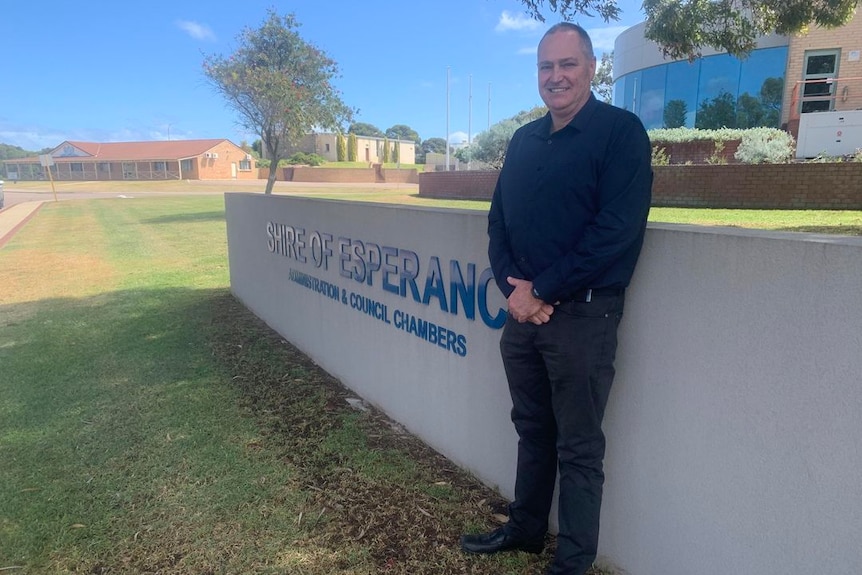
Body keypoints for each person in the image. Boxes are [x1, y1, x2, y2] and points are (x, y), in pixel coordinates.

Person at [459, 22, 653, 575]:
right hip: (524, 316)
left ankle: (571, 564)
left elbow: (616, 230)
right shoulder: (523, 141)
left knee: (580, 449)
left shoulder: (620, 134)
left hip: (586, 318)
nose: (556, 76)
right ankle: (524, 532)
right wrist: (517, 292)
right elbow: (499, 223)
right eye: (546, 67)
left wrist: (541, 290)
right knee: (531, 427)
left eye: (568, 64)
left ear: (592, 68)